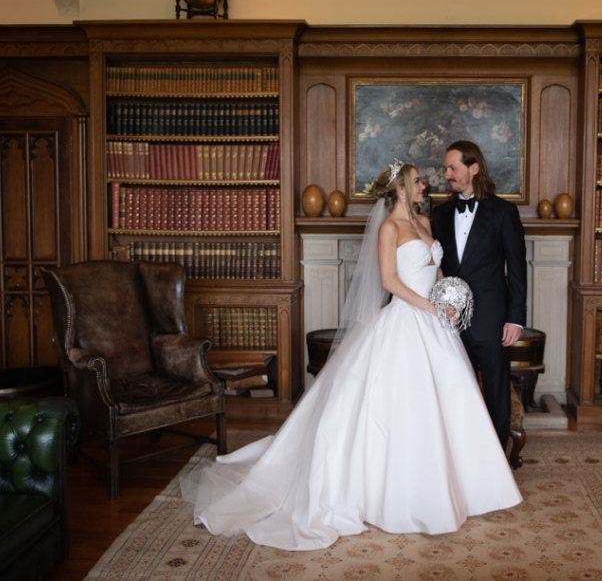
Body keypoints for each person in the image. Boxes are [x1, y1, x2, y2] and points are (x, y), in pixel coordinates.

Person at [181, 160, 521, 551]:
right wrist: (427, 307)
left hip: (435, 325)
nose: (424, 185)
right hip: (406, 321)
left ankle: (468, 487)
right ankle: (396, 495)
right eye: (417, 182)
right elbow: (389, 281)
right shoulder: (389, 228)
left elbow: (437, 270)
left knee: (454, 400)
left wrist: (446, 299)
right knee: (400, 409)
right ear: (400, 189)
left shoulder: (426, 224)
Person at [431, 141, 527, 450]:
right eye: (446, 168)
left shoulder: (503, 212)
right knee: (456, 389)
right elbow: (437, 266)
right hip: (450, 321)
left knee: (497, 391)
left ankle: (496, 458)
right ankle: (462, 455)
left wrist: (515, 319)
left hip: (491, 318)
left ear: (473, 168)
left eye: (452, 168)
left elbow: (517, 269)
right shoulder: (440, 213)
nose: (447, 174)